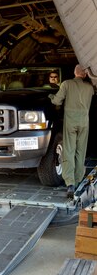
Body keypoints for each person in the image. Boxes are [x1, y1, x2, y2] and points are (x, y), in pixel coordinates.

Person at [49, 64, 95, 198]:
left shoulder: (66, 84)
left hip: (71, 122)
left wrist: (51, 96)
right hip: (84, 123)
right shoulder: (89, 88)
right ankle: (79, 178)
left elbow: (57, 101)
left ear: (74, 73)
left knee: (69, 150)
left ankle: (70, 183)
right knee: (81, 151)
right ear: (85, 74)